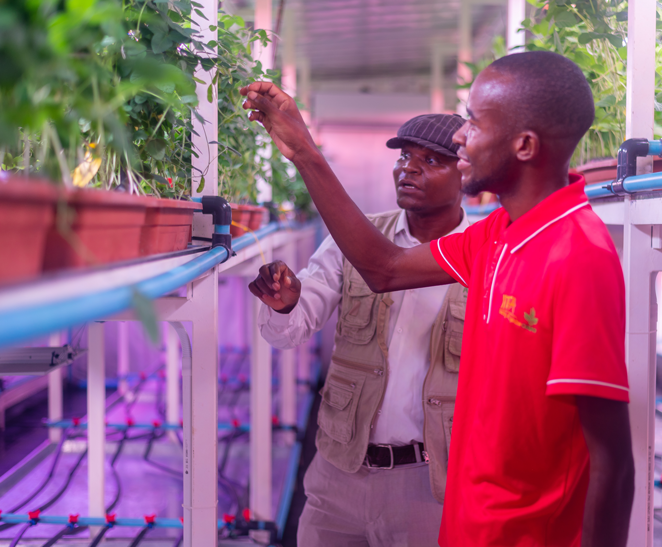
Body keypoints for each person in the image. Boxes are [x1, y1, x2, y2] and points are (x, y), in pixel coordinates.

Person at [242, 50, 635, 547]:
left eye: (473, 121)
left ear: (525, 144)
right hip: (466, 521)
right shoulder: (497, 235)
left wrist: (307, 153)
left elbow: (612, 462)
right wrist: (304, 152)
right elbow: (382, 267)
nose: (459, 134)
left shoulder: (577, 255)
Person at [250, 113, 470, 545]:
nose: (409, 167)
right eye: (405, 156)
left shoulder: (483, 252)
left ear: (466, 171)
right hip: (339, 474)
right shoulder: (355, 239)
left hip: (432, 485)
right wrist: (287, 302)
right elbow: (289, 331)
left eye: (431, 159)